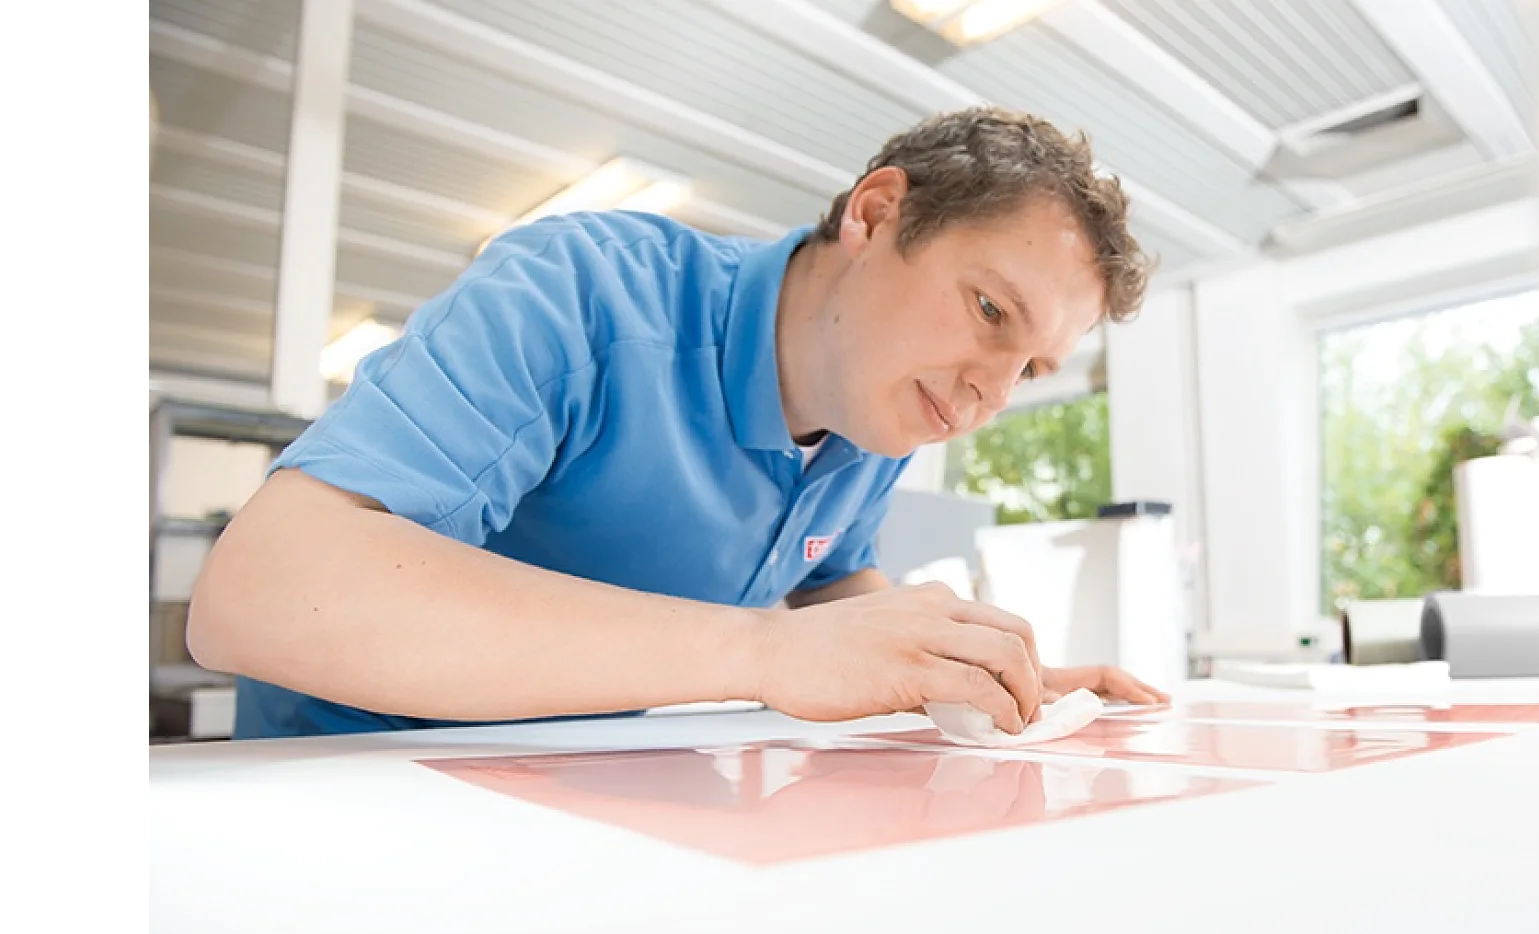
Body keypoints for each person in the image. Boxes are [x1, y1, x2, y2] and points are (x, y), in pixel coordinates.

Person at [188, 106, 1168, 740]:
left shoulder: (878, 417)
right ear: (875, 213)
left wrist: (964, 668)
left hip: (579, 791)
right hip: (352, 788)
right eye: (989, 311)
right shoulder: (581, 293)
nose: (986, 398)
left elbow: (832, 589)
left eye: (1030, 368)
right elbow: (258, 597)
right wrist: (759, 651)